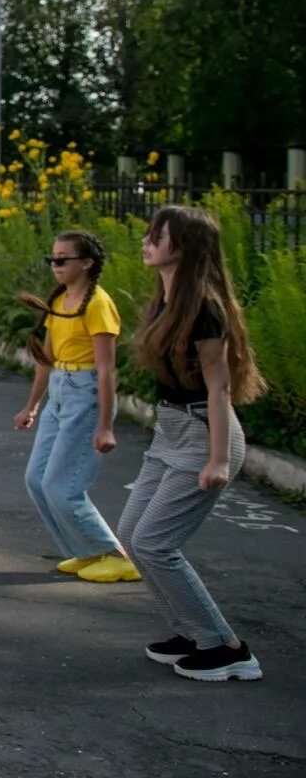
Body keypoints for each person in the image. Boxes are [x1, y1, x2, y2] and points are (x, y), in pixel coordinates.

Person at [122, 205, 267, 681]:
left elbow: (220, 388)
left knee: (155, 542)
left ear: (183, 247)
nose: (146, 242)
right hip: (171, 430)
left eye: (156, 236)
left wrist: (219, 459)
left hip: (204, 432)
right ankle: (189, 631)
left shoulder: (205, 308)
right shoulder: (166, 300)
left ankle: (227, 648)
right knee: (131, 534)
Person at [12, 230, 139, 584]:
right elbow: (47, 360)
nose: (56, 265)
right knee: (36, 480)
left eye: (63, 259)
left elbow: (106, 369)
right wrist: (32, 406)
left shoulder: (98, 304)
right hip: (59, 390)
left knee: (62, 486)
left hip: (86, 394)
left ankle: (116, 555)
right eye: (52, 258)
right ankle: (86, 552)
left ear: (87, 263)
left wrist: (105, 425)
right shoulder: (60, 301)